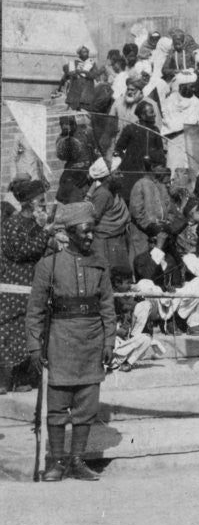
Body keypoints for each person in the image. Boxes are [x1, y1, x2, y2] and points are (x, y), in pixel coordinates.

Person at [25, 201, 116, 481]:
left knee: (86, 406)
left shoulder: (100, 265)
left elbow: (107, 307)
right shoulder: (48, 265)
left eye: (92, 232)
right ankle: (56, 461)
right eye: (85, 232)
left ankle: (77, 460)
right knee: (57, 407)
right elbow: (35, 310)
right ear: (72, 232)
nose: (90, 237)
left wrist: (109, 342)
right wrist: (34, 346)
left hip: (91, 341)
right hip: (60, 342)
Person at [0, 179, 53, 392]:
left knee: (28, 326)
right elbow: (20, 251)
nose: (44, 204)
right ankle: (4, 378)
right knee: (9, 326)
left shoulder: (33, 224)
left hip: (32, 279)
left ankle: (21, 377)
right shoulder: (11, 224)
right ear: (29, 202)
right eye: (41, 200)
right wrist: (45, 234)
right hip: (14, 280)